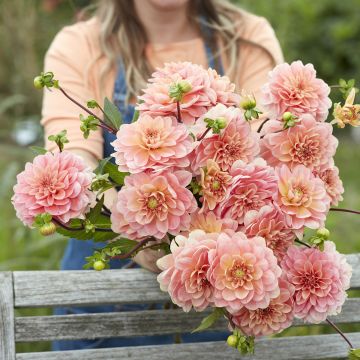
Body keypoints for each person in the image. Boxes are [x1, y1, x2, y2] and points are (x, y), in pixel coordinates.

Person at [41, 0, 283, 351]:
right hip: (103, 308)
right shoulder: (81, 44)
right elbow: (72, 160)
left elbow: (267, 150)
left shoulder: (246, 37)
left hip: (216, 300)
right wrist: (133, 228)